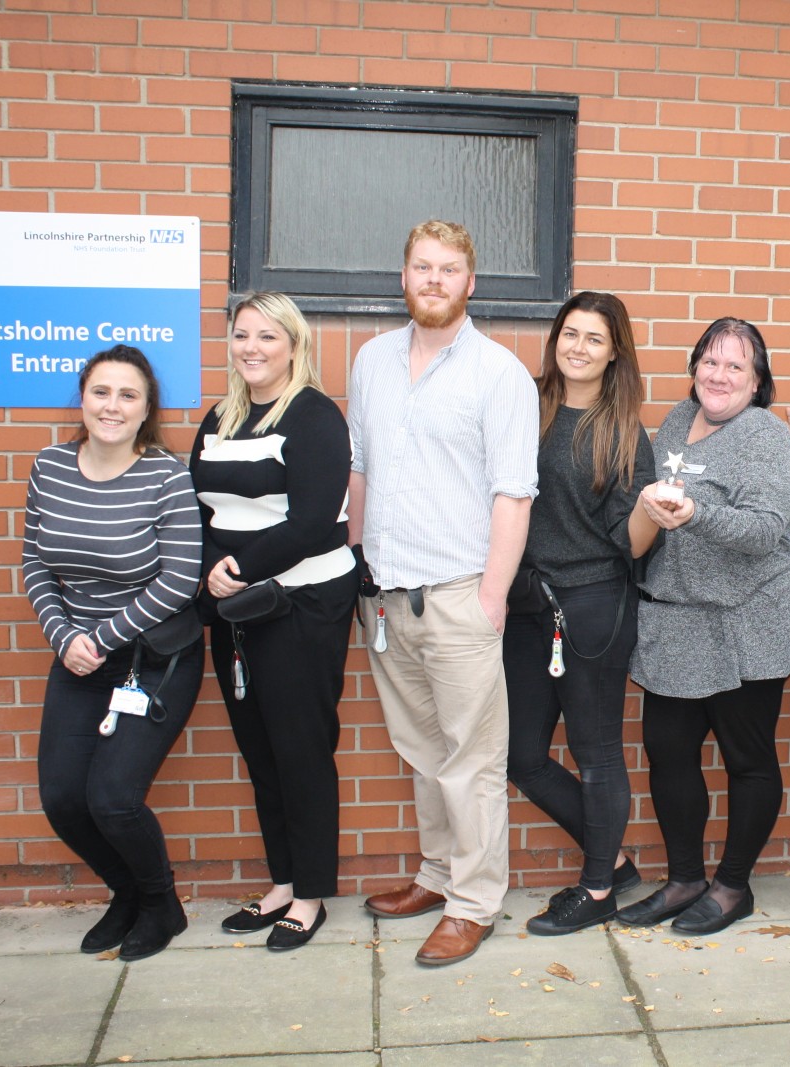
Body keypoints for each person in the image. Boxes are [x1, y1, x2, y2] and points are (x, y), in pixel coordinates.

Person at [353, 220, 539, 967]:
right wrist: (359, 566)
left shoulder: (500, 374)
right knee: (424, 754)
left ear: (471, 282)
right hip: (388, 597)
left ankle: (474, 903)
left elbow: (513, 493)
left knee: (472, 762)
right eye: (423, 267)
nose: (434, 279)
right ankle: (436, 877)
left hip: (461, 595)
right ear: (403, 276)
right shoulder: (371, 360)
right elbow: (360, 469)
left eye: (449, 268)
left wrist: (492, 597)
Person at [617, 317, 790, 935]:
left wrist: (694, 515)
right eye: (710, 361)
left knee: (746, 756)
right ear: (693, 368)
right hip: (679, 616)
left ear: (757, 382)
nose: (719, 375)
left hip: (748, 618)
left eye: (736, 366)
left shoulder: (766, 435)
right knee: (668, 751)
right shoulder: (677, 420)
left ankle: (733, 886)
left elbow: (766, 529)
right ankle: (685, 879)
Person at [22, 345, 204, 961]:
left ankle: (162, 905)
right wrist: (63, 637)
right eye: (101, 392)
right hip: (77, 656)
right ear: (82, 399)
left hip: (152, 661)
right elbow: (35, 562)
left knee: (113, 799)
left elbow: (179, 580)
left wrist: (99, 638)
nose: (112, 406)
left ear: (146, 409)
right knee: (64, 800)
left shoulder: (165, 476)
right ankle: (127, 895)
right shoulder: (50, 467)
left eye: (128, 395)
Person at [189, 292, 358, 951]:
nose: (252, 347)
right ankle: (282, 883)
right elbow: (198, 508)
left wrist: (238, 567)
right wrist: (215, 568)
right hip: (235, 610)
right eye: (242, 335)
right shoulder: (221, 417)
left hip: (301, 606)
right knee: (260, 752)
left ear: (293, 344)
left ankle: (310, 895)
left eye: (267, 336)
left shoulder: (314, 415)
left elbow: (313, 520)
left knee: (301, 751)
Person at [506, 292, 657, 935]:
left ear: (614, 351)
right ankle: (613, 862)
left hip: (592, 606)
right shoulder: (524, 406)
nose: (578, 347)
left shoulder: (623, 432)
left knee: (596, 753)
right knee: (521, 755)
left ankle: (597, 890)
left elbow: (631, 542)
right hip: (525, 602)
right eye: (570, 333)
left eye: (595, 338)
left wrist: (653, 511)